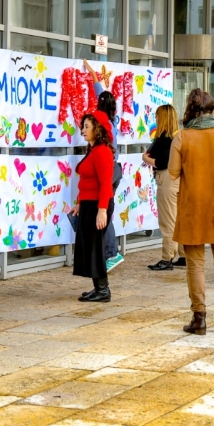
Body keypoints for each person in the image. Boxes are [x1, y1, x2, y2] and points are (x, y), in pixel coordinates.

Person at [169, 89, 214, 335]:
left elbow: (173, 172)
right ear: (213, 111)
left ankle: (199, 318)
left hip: (193, 208)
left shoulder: (182, 137)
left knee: (195, 264)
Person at [84, 59, 124, 272]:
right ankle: (108, 252)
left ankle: (111, 253)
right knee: (104, 210)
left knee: (102, 210)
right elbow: (101, 89)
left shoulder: (102, 123)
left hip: (107, 170)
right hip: (115, 168)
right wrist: (92, 74)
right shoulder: (112, 120)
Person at [72, 111, 116, 303]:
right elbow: (87, 182)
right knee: (90, 246)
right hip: (89, 204)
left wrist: (102, 210)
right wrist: (80, 204)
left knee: (95, 247)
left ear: (97, 129)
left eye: (87, 127)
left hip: (99, 205)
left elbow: (106, 183)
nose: (83, 130)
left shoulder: (102, 151)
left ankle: (103, 289)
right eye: (83, 126)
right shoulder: (93, 150)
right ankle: (98, 287)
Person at [144, 105, 183, 271]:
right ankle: (184, 254)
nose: (155, 119)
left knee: (168, 221)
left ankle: (167, 258)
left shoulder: (164, 139)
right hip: (179, 180)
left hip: (167, 180)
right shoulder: (179, 137)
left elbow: (161, 162)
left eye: (157, 116)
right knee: (180, 219)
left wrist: (146, 158)